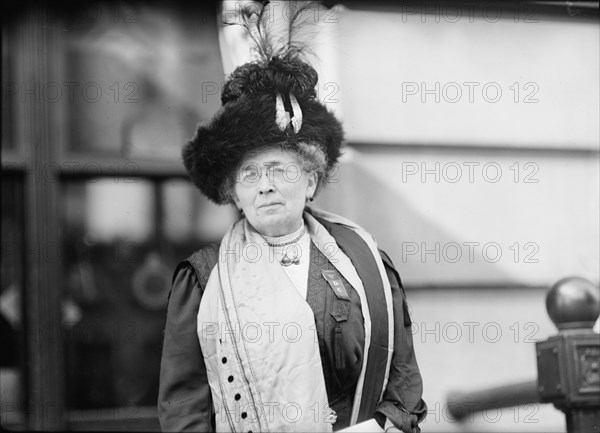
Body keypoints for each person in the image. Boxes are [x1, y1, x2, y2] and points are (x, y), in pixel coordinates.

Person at [158, 2, 426, 432]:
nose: (265, 185)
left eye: (280, 169)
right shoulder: (202, 278)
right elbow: (183, 410)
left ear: (311, 181)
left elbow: (405, 382)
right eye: (249, 173)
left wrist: (377, 427)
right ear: (233, 192)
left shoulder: (365, 262)